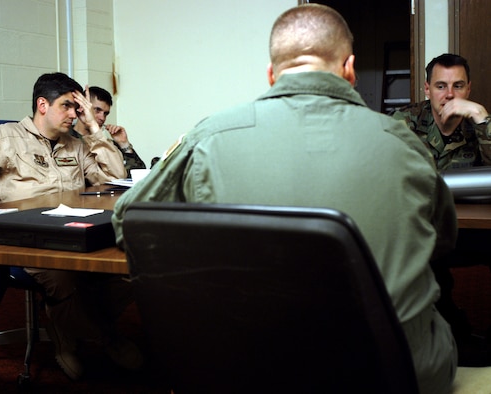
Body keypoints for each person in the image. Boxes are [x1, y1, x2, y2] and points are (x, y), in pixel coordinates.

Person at [113, 4, 458, 393]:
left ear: (272, 74)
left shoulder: (209, 137)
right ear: (349, 68)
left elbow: (130, 222)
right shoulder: (404, 143)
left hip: (247, 370)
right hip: (392, 375)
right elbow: (443, 241)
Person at [0, 72, 143, 382]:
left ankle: (64, 324)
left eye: (77, 108)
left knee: (127, 267)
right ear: (42, 104)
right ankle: (105, 337)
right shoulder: (5, 138)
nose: (74, 114)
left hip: (73, 229)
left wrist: (95, 129)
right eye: (68, 106)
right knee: (62, 273)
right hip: (25, 239)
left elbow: (113, 179)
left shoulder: (74, 143)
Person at [393, 54, 491, 345]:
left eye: (458, 85)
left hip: (471, 230)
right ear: (427, 89)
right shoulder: (403, 122)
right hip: (421, 227)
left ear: (469, 88)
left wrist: (481, 116)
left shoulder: (479, 122)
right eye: (440, 86)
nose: (449, 94)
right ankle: (447, 328)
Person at [71, 85, 147, 173]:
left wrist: (124, 144)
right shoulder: (66, 140)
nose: (102, 118)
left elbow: (138, 175)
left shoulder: (107, 144)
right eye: (97, 110)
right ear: (82, 108)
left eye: (105, 113)